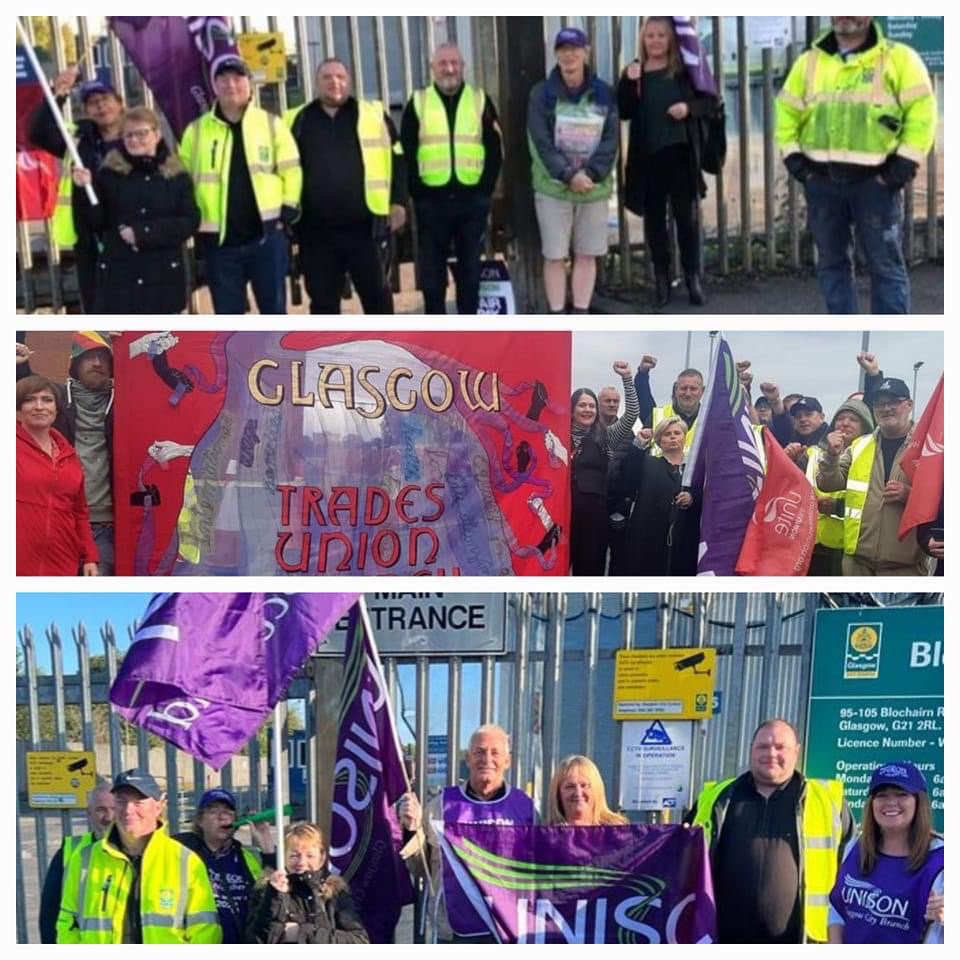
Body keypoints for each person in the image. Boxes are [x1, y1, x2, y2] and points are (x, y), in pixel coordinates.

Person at [775, 17, 937, 314]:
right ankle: (844, 335)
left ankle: (889, 342)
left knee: (885, 268)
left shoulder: (900, 59)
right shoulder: (808, 63)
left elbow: (922, 115)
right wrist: (798, 164)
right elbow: (785, 112)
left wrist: (901, 168)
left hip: (875, 184)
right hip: (821, 182)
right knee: (831, 265)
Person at [688, 718, 854, 943]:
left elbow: (857, 868)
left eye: (780, 747)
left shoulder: (827, 802)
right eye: (763, 747)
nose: (771, 753)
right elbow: (680, 854)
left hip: (805, 941)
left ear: (796, 752)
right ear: (751, 751)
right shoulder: (717, 798)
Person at [180, 56, 301, 314]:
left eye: (237, 78)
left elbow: (291, 169)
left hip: (266, 240)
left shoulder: (271, 124)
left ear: (249, 84)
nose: (231, 84)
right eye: (223, 79)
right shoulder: (196, 131)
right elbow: (183, 180)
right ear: (214, 85)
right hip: (220, 245)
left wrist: (288, 207)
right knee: (229, 321)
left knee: (274, 316)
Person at [284, 58, 407, 314]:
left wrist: (398, 202)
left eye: (340, 77)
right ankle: (330, 353)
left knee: (378, 300)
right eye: (327, 77)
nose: (334, 83)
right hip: (316, 232)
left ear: (349, 81)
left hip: (366, 228)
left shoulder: (373, 115)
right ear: (316, 83)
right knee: (323, 304)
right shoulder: (296, 120)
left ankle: (385, 352)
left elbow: (398, 159)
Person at [397, 724, 536, 943]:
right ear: (468, 759)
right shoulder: (441, 805)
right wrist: (412, 829)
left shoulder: (526, 808)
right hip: (452, 933)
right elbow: (420, 868)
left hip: (509, 931)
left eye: (495, 752)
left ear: (507, 761)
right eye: (479, 752)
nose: (486, 758)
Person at [619, 17, 719, 307]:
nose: (655, 41)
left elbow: (710, 103)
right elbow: (623, 111)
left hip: (680, 156)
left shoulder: (685, 71)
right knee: (655, 224)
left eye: (661, 35)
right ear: (643, 39)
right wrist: (628, 82)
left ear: (671, 38)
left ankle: (692, 279)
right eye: (650, 35)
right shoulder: (634, 72)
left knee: (686, 221)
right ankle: (661, 280)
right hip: (647, 159)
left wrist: (688, 107)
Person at [57, 769, 221, 943]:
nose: (128, 810)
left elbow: (205, 932)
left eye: (139, 801)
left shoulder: (185, 861)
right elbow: (67, 923)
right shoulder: (84, 859)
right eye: (121, 801)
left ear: (159, 807)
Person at [401, 43, 502, 315]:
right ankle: (437, 324)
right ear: (432, 68)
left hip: (471, 200)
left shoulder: (480, 100)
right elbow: (407, 150)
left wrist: (485, 191)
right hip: (432, 202)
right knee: (432, 273)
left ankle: (467, 324)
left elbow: (495, 148)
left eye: (454, 63)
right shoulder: (419, 102)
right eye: (443, 63)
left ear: (463, 67)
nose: (449, 69)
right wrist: (418, 193)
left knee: (470, 269)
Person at [70, 107, 199, 314]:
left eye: (142, 133)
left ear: (157, 135)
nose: (135, 139)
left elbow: (190, 221)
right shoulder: (109, 174)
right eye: (128, 134)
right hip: (120, 279)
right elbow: (96, 222)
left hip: (161, 280)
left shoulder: (176, 176)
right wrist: (84, 190)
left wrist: (144, 232)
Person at [528, 27, 618, 314]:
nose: (569, 55)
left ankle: (580, 312)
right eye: (563, 49)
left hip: (593, 188)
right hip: (554, 189)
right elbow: (539, 142)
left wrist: (590, 174)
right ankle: (557, 314)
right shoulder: (541, 94)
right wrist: (568, 175)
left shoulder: (604, 92)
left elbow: (611, 139)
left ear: (586, 52)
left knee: (586, 255)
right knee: (554, 256)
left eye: (575, 48)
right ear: (556, 54)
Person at [17, 333, 116, 574]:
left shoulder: (124, 402)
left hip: (106, 522)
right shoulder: (56, 399)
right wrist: (17, 366)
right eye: (89, 356)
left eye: (103, 357)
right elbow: (28, 395)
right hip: (46, 524)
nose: (97, 363)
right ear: (74, 363)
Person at [29, 70, 125, 312]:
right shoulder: (78, 136)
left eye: (105, 99)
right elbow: (39, 133)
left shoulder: (139, 133)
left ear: (119, 102)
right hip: (90, 237)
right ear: (86, 110)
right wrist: (58, 94)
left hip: (130, 233)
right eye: (93, 103)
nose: (101, 107)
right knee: (97, 307)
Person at [817, 375, 929, 575]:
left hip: (905, 567)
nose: (886, 408)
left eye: (893, 402)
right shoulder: (860, 445)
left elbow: (941, 498)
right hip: (856, 562)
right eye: (880, 403)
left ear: (909, 405)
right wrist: (831, 456)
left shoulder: (928, 446)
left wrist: (909, 495)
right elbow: (828, 484)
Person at [828, 762, 943, 944]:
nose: (891, 802)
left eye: (901, 794)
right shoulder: (856, 846)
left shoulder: (940, 859)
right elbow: (837, 910)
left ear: (918, 802)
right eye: (882, 795)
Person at [17, 373, 98, 576]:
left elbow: (80, 513)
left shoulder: (70, 456)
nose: (39, 406)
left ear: (56, 409)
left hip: (62, 558)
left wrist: (89, 556)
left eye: (47, 400)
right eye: (29, 400)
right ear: (18, 409)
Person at [785, 397, 875, 576]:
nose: (845, 423)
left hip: (853, 547)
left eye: (853, 419)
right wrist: (787, 458)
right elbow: (785, 484)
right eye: (840, 419)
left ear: (865, 425)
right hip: (814, 545)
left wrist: (837, 507)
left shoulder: (875, 456)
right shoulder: (812, 453)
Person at [174, 788, 275, 944]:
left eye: (228, 811)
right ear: (200, 821)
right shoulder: (186, 855)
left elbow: (270, 899)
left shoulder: (246, 858)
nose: (222, 817)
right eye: (213, 812)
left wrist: (267, 848)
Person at [246, 822, 368, 944]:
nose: (302, 862)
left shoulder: (334, 891)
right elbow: (255, 941)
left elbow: (359, 941)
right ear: (284, 857)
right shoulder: (267, 890)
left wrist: (302, 932)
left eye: (310, 856)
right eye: (294, 856)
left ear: (322, 858)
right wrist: (273, 897)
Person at [570, 361, 639, 575]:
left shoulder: (606, 437)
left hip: (593, 519)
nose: (587, 409)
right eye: (582, 405)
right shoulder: (556, 436)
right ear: (572, 409)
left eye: (591, 406)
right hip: (562, 515)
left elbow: (632, 414)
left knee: (589, 570)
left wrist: (627, 378)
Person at [39, 782, 115, 943]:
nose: (109, 817)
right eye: (101, 810)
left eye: (114, 809)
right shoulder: (70, 852)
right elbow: (50, 913)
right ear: (89, 814)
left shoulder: (136, 851)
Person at [622, 417, 700, 576]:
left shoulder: (694, 469)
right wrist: (639, 444)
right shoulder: (648, 463)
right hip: (650, 540)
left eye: (677, 433)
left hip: (684, 540)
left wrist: (691, 498)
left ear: (684, 437)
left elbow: (704, 495)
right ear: (659, 441)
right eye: (667, 434)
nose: (672, 437)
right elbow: (629, 475)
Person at [598, 383, 636, 576]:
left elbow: (634, 468)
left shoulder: (628, 433)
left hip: (619, 507)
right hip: (593, 505)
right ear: (599, 403)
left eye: (615, 401)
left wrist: (626, 501)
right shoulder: (587, 430)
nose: (612, 404)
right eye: (607, 401)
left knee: (620, 562)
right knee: (592, 559)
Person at [634, 354, 703, 457]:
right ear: (675, 390)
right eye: (683, 388)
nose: (688, 394)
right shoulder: (658, 415)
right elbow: (643, 400)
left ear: (702, 391)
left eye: (693, 389)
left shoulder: (711, 419)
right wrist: (642, 374)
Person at [546, 754, 628, 826]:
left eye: (584, 785)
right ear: (558, 793)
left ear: (596, 790)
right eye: (570, 787)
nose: (578, 793)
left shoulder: (617, 831)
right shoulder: (548, 835)